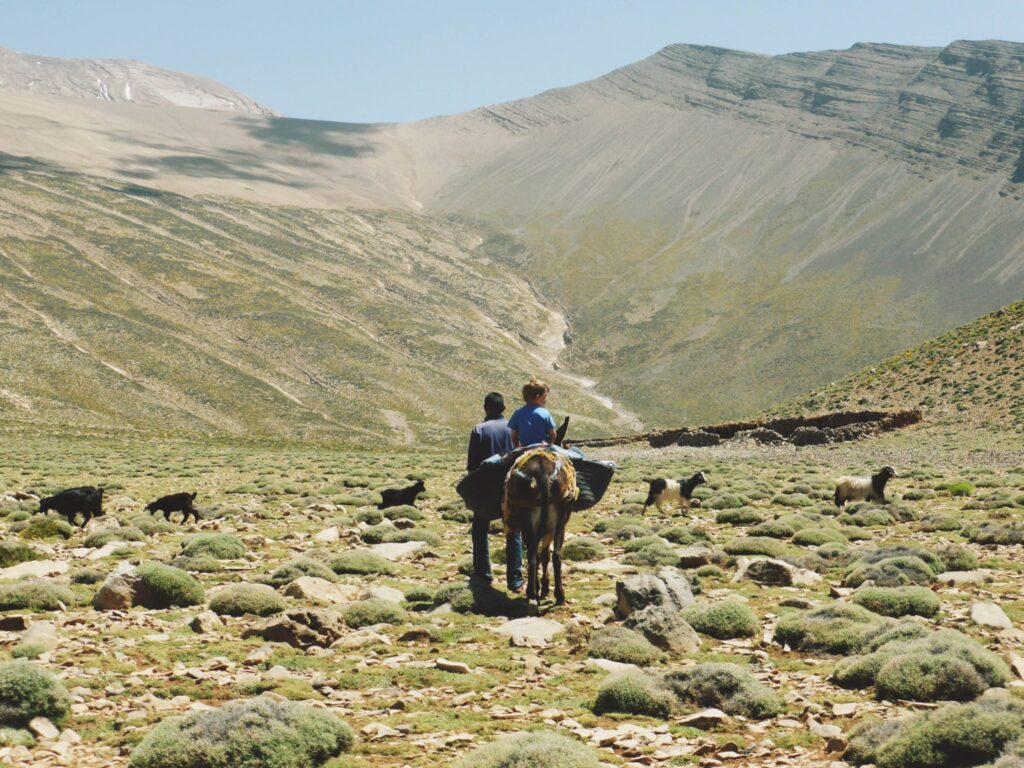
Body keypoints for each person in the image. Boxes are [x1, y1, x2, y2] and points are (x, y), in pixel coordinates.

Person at [466, 392, 523, 591]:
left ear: (485, 408)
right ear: (504, 409)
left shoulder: (479, 430)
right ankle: (515, 580)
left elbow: (472, 466)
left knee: (480, 529)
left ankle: (483, 574)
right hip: (511, 488)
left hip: (486, 488)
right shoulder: (513, 429)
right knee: (513, 531)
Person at [508, 376, 557, 448]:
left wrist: (518, 446)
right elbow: (553, 435)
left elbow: (513, 436)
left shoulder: (517, 413)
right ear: (538, 397)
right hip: (542, 448)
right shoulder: (545, 413)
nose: (547, 399)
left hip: (524, 448)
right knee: (574, 454)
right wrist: (547, 444)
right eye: (545, 396)